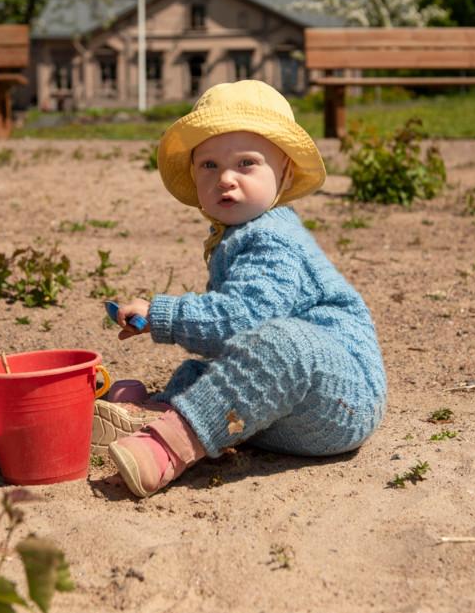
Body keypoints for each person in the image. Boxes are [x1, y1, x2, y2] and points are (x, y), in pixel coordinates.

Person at [94, 80, 386, 498]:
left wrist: (163, 314)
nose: (225, 179)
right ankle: (156, 411)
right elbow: (238, 344)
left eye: (246, 163)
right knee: (209, 371)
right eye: (208, 166)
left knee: (282, 345)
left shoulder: (274, 238)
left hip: (340, 400)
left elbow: (240, 320)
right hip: (285, 413)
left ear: (283, 171)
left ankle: (169, 445)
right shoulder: (236, 235)